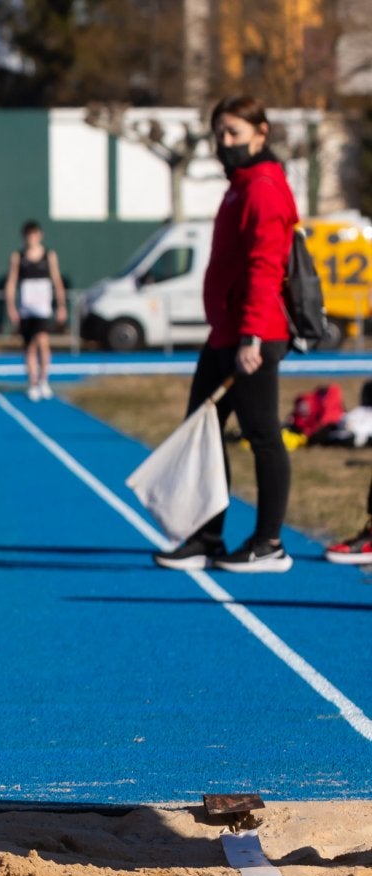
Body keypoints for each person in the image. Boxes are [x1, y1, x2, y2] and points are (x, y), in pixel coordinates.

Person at [152, 95, 298, 573]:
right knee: (203, 430)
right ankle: (207, 537)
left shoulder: (263, 188)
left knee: (262, 434)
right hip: (225, 332)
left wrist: (252, 334)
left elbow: (265, 265)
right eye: (219, 134)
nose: (225, 142)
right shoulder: (239, 186)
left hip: (253, 334)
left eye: (234, 132)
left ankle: (269, 543)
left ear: (261, 133)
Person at [3, 221, 65, 401]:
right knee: (30, 347)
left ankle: (44, 380)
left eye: (35, 234)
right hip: (26, 309)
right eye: (29, 235)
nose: (32, 238)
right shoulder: (18, 257)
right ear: (24, 237)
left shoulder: (49, 255)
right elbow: (11, 282)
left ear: (40, 235)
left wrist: (61, 306)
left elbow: (57, 280)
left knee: (43, 341)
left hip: (43, 309)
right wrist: (11, 307)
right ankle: (33, 383)